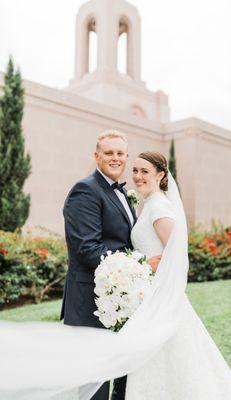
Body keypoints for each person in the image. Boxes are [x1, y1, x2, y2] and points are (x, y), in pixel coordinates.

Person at [0, 150, 231, 400]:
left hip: (159, 299)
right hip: (146, 297)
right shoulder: (147, 205)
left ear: (161, 175)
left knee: (173, 365)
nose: (138, 176)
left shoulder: (159, 208)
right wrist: (140, 267)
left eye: (145, 171)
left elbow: (177, 252)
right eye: (135, 170)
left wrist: (145, 267)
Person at [60, 130, 159, 400]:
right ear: (96, 156)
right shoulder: (85, 190)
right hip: (90, 300)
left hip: (122, 298)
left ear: (126, 157)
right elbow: (88, 249)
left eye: (120, 153)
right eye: (108, 153)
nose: (115, 158)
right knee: (96, 380)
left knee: (125, 373)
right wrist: (140, 267)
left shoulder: (124, 192)